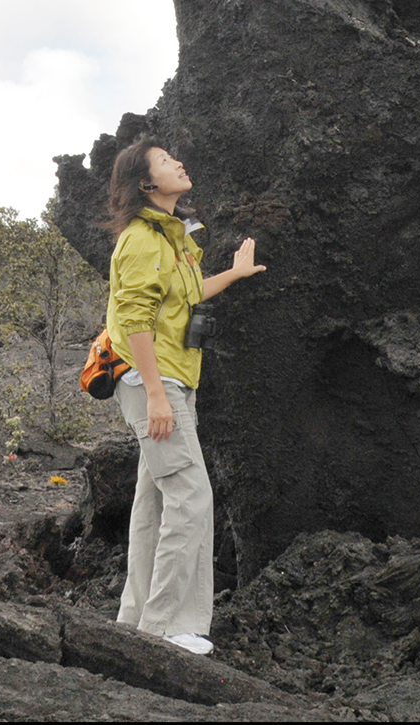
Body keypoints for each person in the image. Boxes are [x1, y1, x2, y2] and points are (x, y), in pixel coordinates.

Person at [104, 136, 265, 655]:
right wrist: (154, 393)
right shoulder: (141, 239)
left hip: (173, 379)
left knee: (153, 502)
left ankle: (135, 623)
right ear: (147, 183)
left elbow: (187, 295)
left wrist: (233, 275)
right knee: (192, 497)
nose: (179, 163)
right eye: (166, 162)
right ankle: (169, 630)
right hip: (155, 381)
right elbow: (134, 321)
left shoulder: (173, 237)